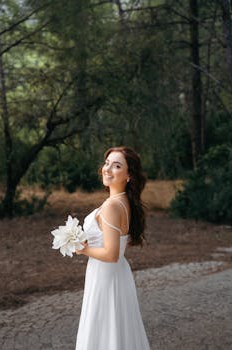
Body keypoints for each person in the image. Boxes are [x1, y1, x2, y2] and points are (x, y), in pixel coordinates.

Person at [75, 146, 150, 350]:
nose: (107, 169)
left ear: (129, 176)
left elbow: (111, 254)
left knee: (104, 330)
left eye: (116, 166)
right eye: (107, 163)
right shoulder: (125, 202)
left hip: (105, 275)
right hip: (118, 274)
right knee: (117, 329)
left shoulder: (111, 206)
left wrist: (83, 249)